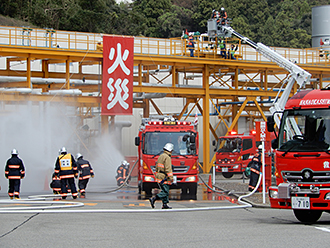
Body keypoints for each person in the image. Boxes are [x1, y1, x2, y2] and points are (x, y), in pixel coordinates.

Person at [149, 143, 175, 209]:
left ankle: (165, 204)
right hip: (164, 177)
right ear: (170, 150)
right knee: (165, 192)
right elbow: (168, 168)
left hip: (159, 176)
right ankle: (154, 199)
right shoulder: (167, 157)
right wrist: (171, 177)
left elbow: (157, 167)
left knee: (163, 190)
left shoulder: (161, 156)